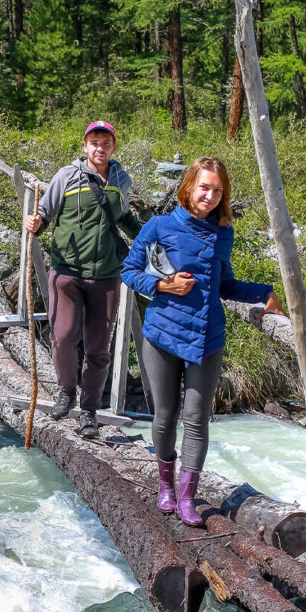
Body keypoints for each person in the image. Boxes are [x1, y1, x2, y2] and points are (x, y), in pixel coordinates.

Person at [120, 156, 284, 525]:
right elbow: (129, 271)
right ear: (189, 186)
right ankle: (165, 486)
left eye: (217, 190)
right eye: (204, 187)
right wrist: (162, 284)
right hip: (162, 334)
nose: (209, 196)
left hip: (207, 337)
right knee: (165, 415)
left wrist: (265, 293)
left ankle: (187, 498)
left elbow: (224, 284)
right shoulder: (158, 226)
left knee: (196, 420)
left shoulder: (224, 232)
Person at [23, 121, 142, 439]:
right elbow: (45, 215)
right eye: (94, 142)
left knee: (99, 349)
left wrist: (152, 238)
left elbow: (124, 217)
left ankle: (89, 413)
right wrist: (34, 223)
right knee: (63, 337)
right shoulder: (65, 176)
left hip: (106, 276)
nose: (99, 148)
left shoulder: (120, 179)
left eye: (105, 143)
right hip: (67, 273)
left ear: (113, 147)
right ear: (85, 145)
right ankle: (66, 391)